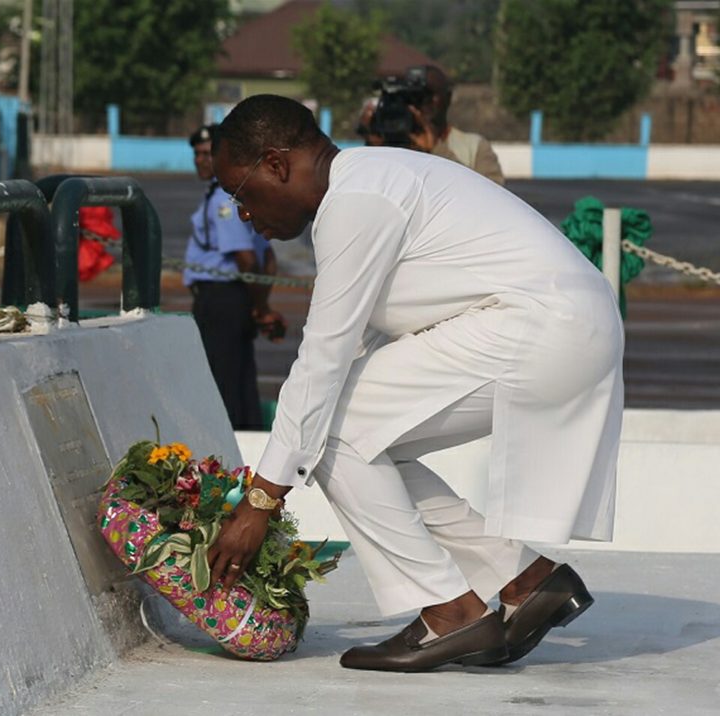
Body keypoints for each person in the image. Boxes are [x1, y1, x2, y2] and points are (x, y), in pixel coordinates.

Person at [206, 96, 623, 673]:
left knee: (339, 429)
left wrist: (261, 500)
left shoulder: (356, 202)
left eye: (241, 192)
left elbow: (322, 360)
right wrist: (276, 478)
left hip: (541, 327)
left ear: (277, 164)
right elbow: (348, 353)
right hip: (563, 325)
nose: (243, 214)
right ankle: (525, 580)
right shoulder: (370, 180)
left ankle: (452, 613)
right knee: (357, 435)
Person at [183, 124, 286, 430]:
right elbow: (267, 258)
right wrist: (260, 305)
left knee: (222, 383)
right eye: (197, 154)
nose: (201, 161)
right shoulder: (232, 194)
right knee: (238, 380)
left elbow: (247, 258)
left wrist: (261, 307)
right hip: (234, 298)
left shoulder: (222, 201)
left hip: (222, 298)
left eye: (207, 154)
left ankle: (228, 453)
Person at [359, 65, 505, 186]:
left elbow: (495, 199)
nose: (426, 102)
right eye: (416, 96)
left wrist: (436, 149)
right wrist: (372, 146)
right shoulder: (387, 142)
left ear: (447, 98)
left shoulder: (474, 147)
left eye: (430, 94)